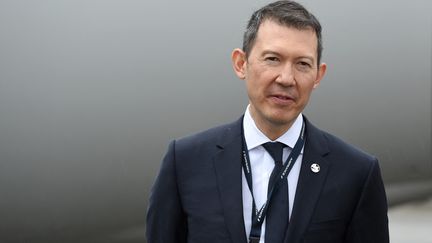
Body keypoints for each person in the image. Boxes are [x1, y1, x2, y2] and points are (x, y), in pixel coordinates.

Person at [146, 1, 389, 243]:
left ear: (318, 75)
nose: (286, 78)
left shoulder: (355, 173)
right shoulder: (186, 162)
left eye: (302, 64)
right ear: (241, 64)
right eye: (273, 59)